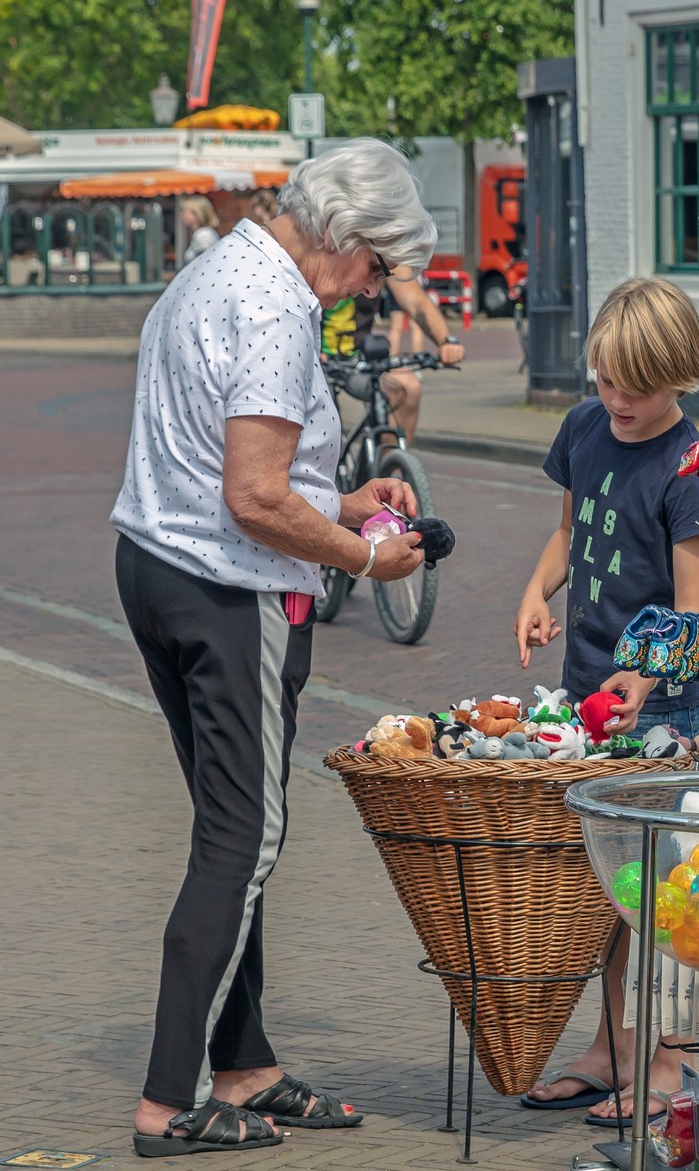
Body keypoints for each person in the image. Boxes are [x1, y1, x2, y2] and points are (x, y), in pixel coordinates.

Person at [112, 138, 436, 1158]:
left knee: (227, 825)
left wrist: (339, 497)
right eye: (378, 267)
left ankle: (243, 1061)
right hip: (228, 588)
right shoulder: (276, 306)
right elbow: (251, 499)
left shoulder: (210, 271)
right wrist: (359, 555)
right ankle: (171, 1099)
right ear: (345, 236)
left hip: (156, 562)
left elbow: (239, 459)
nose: (370, 290)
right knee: (243, 840)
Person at [512, 277, 699, 1123]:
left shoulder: (691, 471)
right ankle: (611, 1050)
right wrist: (537, 591)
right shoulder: (583, 427)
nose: (615, 401)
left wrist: (646, 676)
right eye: (603, 382)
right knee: (605, 890)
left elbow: (695, 610)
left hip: (661, 709)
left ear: (679, 375)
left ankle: (668, 1063)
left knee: (661, 892)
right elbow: (571, 530)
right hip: (587, 697)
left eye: (632, 389)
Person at [321, 274, 464, 444]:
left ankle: (388, 466)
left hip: (359, 359)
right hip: (312, 358)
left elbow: (415, 300)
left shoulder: (379, 249)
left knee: (408, 386)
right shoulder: (316, 250)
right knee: (321, 420)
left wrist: (445, 340)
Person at [177, 195, 220, 266]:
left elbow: (206, 264)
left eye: (185, 211)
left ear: (197, 213)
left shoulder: (203, 235)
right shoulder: (201, 233)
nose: (182, 215)